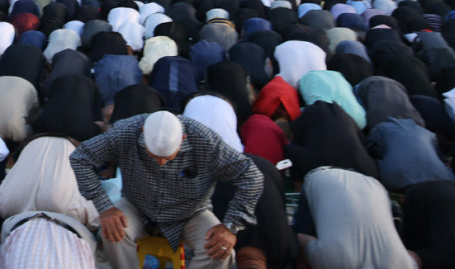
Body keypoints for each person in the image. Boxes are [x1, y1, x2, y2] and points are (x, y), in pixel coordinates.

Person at [70, 111, 263, 269]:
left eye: (167, 158)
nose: (160, 163)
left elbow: (251, 176)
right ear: (143, 132)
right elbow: (80, 158)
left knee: (221, 248)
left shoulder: (205, 140)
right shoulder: (125, 132)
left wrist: (230, 226)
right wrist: (105, 208)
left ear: (183, 138)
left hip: (191, 212)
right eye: (153, 156)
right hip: (138, 206)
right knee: (112, 231)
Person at [292, 167, 417, 269]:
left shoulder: (402, 265)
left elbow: (414, 257)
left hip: (373, 185)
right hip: (323, 176)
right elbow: (300, 238)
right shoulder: (330, 262)